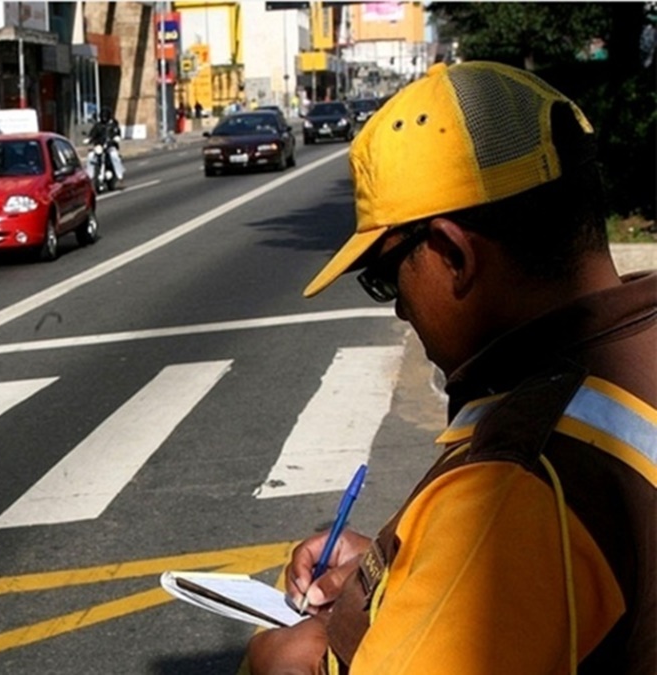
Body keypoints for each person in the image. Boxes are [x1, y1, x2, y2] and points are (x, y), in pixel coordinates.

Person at [247, 61, 655, 674]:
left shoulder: (518, 486)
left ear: (453, 254)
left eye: (386, 279)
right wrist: (406, 568)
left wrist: (278, 664)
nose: (400, 310)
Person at [86, 108, 124, 184]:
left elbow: (117, 133)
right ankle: (90, 176)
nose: (104, 118)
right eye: (103, 116)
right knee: (90, 156)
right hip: (99, 146)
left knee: (114, 156)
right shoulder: (98, 125)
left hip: (110, 146)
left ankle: (119, 175)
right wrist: (89, 139)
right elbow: (92, 133)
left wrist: (116, 138)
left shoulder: (113, 125)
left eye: (105, 116)